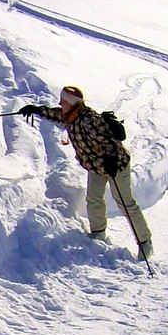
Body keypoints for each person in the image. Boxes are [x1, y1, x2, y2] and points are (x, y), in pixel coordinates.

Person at [19, 86, 153, 260]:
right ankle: (98, 233)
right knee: (93, 198)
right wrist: (36, 110)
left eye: (64, 101)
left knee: (125, 203)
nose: (60, 103)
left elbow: (110, 141)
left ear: (73, 103)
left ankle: (145, 243)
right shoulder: (70, 116)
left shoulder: (90, 121)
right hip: (96, 166)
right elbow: (56, 114)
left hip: (116, 166)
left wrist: (111, 160)